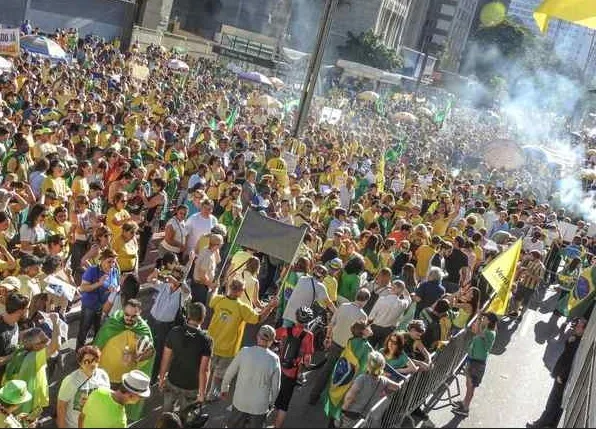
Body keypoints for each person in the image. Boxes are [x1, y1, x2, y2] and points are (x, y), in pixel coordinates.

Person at [206, 279, 278, 400]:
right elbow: (259, 319)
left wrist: (215, 288)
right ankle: (211, 394)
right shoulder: (242, 307)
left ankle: (202, 390)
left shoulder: (219, 299)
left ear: (229, 287)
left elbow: (211, 299)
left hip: (211, 344)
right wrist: (270, 307)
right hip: (228, 349)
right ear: (241, 292)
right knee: (219, 374)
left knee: (208, 369)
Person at [308, 289, 369, 405]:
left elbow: (332, 323)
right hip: (348, 349)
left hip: (335, 343)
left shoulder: (343, 306)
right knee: (340, 376)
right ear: (366, 300)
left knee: (326, 371)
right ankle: (330, 401)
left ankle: (313, 396)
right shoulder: (363, 316)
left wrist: (327, 338)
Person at [526, 317, 587, 428]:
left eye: (578, 327)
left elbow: (570, 361)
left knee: (553, 402)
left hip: (562, 378)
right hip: (564, 378)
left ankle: (540, 425)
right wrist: (569, 341)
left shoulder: (578, 343)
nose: (575, 328)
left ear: (583, 330)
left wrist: (561, 376)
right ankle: (551, 424)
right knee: (558, 404)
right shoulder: (576, 339)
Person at [221, 325, 281, 429]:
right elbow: (276, 387)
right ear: (271, 341)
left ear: (257, 337)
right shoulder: (274, 359)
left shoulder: (244, 352)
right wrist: (271, 403)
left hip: (240, 401)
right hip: (260, 406)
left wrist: (224, 389)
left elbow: (229, 373)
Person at [159, 302, 213, 413]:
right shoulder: (206, 340)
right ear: (202, 318)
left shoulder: (174, 332)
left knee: (167, 415)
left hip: (173, 380)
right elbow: (204, 370)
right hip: (191, 387)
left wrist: (161, 378)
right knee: (186, 417)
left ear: (188, 316)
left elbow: (166, 358)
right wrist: (202, 393)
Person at [94, 299, 155, 389]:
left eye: (134, 316)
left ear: (140, 313)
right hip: (103, 375)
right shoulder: (112, 323)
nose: (129, 318)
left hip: (125, 380)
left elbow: (150, 353)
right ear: (123, 311)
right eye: (127, 315)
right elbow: (98, 344)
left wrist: (133, 356)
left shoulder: (143, 331)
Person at [273, 307, 315, 428]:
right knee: (284, 403)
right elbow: (307, 360)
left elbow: (272, 335)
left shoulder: (285, 329)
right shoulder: (309, 336)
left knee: (272, 394)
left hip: (278, 368)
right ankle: (277, 425)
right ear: (308, 321)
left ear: (296, 317)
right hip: (292, 373)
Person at [148, 266, 190, 383]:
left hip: (165, 326)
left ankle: (152, 378)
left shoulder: (183, 293)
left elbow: (187, 291)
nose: (173, 278)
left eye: (177, 277)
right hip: (152, 320)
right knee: (145, 345)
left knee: (158, 352)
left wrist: (176, 281)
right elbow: (150, 280)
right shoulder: (164, 285)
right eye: (173, 275)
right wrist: (155, 272)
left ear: (181, 279)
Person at [452, 312, 498, 417]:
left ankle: (466, 408)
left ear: (489, 321)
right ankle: (464, 402)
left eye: (485, 318)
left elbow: (478, 332)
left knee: (471, 386)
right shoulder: (486, 330)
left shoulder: (490, 333)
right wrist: (479, 319)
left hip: (477, 363)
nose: (483, 319)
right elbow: (476, 331)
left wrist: (478, 319)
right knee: (468, 385)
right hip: (472, 359)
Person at [339, 351, 402, 427]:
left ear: (368, 365)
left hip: (351, 414)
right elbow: (398, 386)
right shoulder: (383, 380)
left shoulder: (362, 378)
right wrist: (385, 392)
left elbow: (350, 397)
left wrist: (343, 410)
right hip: (366, 417)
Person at [57, 346, 110, 428]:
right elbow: (61, 406)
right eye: (87, 361)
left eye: (95, 360)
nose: (92, 364)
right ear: (80, 363)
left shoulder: (103, 375)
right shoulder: (71, 381)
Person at [77, 248, 119, 350]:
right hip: (89, 306)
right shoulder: (92, 270)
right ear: (102, 260)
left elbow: (117, 285)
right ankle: (79, 351)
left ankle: (95, 351)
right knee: (84, 329)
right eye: (109, 262)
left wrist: (115, 289)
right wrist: (99, 284)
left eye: (114, 262)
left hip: (103, 306)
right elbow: (83, 288)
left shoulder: (114, 271)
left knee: (99, 330)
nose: (112, 265)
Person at [79, 370, 151, 428]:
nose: (141, 400)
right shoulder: (120, 420)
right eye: (140, 397)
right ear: (130, 395)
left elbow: (81, 417)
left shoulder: (98, 392)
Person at [368, 280, 412, 349]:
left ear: (392, 288)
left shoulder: (382, 300)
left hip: (375, 328)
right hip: (388, 330)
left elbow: (371, 316)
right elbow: (408, 299)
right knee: (381, 350)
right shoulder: (402, 304)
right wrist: (403, 289)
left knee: (369, 348)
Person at [0, 293, 30, 380]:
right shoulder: (1, 333)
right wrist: (15, 355)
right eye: (27, 309)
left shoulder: (14, 322)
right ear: (20, 311)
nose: (28, 310)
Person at [191, 233, 224, 305]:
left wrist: (216, 249)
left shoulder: (208, 250)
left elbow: (218, 261)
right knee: (198, 308)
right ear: (217, 245)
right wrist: (211, 285)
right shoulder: (208, 256)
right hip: (200, 287)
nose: (222, 245)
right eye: (221, 243)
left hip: (201, 285)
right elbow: (202, 275)